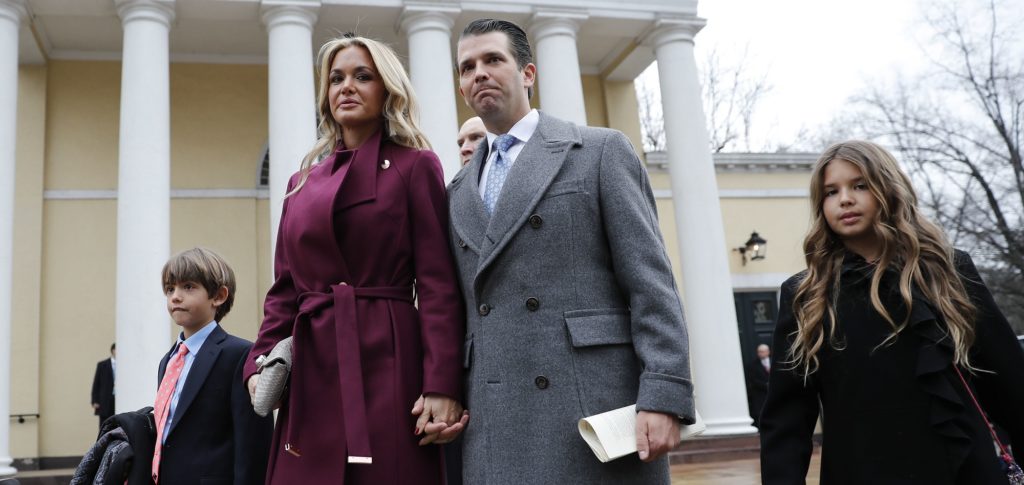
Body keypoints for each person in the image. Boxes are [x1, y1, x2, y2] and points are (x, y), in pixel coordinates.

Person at [448, 18, 694, 484]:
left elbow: (651, 286)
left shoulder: (599, 151)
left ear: (528, 73)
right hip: (494, 422)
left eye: (493, 59)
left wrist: (664, 394)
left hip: (591, 411)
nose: (478, 73)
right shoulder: (456, 191)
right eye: (467, 67)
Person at [244, 34, 466, 485]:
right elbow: (284, 292)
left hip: (390, 361)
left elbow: (438, 284)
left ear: (387, 90)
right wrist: (258, 362)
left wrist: (442, 383)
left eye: (363, 76)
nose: (346, 86)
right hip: (312, 367)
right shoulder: (299, 184)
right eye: (336, 78)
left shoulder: (416, 166)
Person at [759, 141, 1024, 484]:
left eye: (860, 185)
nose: (845, 199)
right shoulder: (805, 295)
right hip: (861, 469)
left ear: (888, 188)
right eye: (831, 192)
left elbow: (1009, 384)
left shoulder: (947, 271)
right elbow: (787, 418)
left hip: (960, 468)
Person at [153, 247, 273, 485]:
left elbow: (253, 444)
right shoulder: (168, 360)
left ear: (218, 296)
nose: (175, 296)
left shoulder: (241, 355)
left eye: (188, 286)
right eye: (170, 289)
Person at [90, 343, 116, 431]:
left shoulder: (125, 365)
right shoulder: (102, 365)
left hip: (118, 399)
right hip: (105, 400)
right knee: (104, 425)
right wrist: (95, 400)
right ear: (113, 350)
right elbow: (96, 383)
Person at [745, 344, 770, 428]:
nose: (760, 354)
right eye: (759, 352)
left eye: (762, 351)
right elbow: (752, 379)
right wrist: (765, 385)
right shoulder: (752, 365)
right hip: (760, 395)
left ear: (768, 352)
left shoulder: (775, 362)